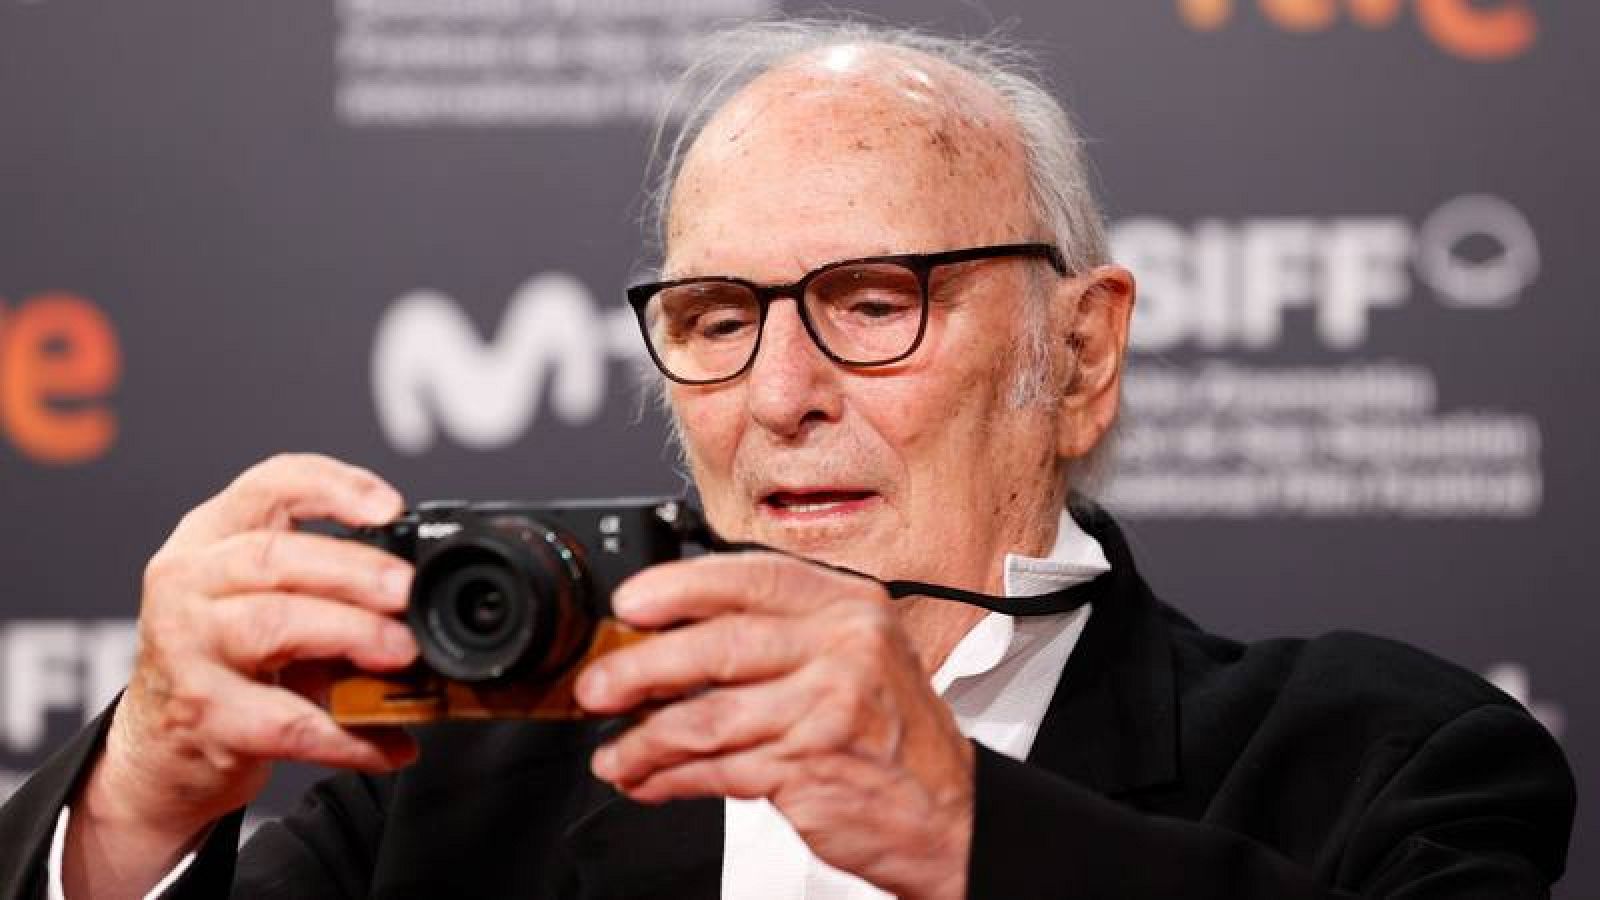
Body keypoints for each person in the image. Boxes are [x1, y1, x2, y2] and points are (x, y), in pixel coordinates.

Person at [0, 18, 1574, 900]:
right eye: (713, 316)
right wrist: (135, 806)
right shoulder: (459, 793)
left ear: (1079, 355)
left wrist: (963, 824)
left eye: (874, 303)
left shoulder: (1384, 762)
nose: (783, 392)